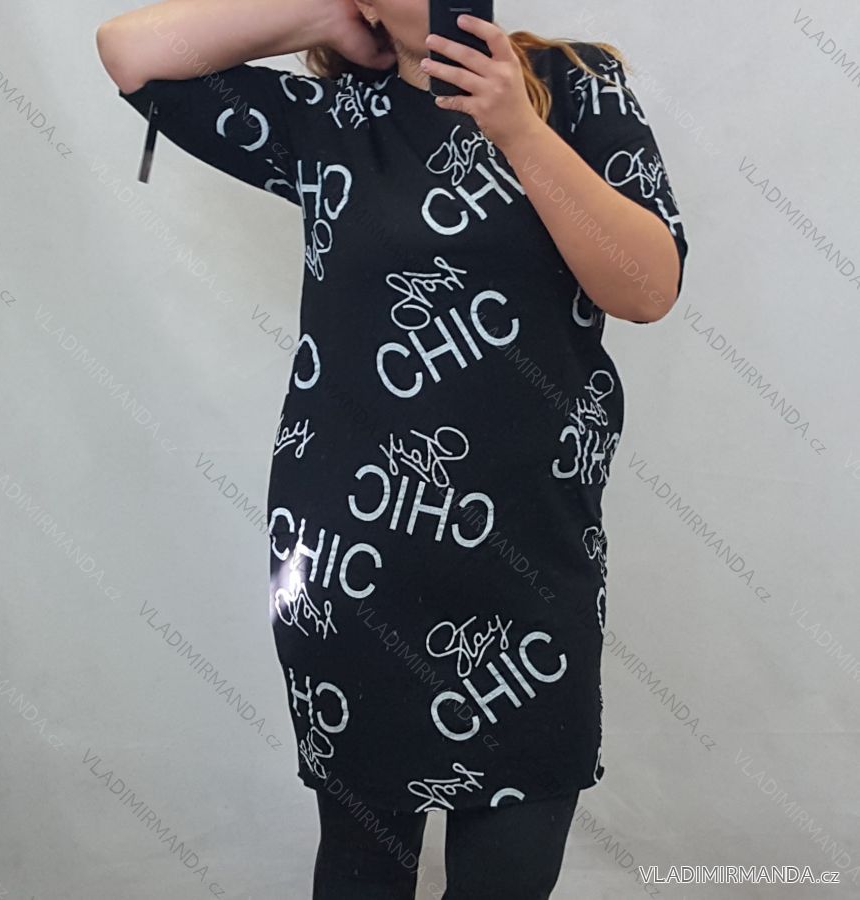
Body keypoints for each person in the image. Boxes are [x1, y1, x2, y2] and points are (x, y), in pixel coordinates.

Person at [96, 1, 689, 897]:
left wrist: (517, 129)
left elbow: (645, 289)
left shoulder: (572, 86)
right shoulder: (335, 119)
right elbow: (129, 52)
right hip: (352, 558)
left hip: (529, 556)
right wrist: (326, 20)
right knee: (362, 867)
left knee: (511, 873)